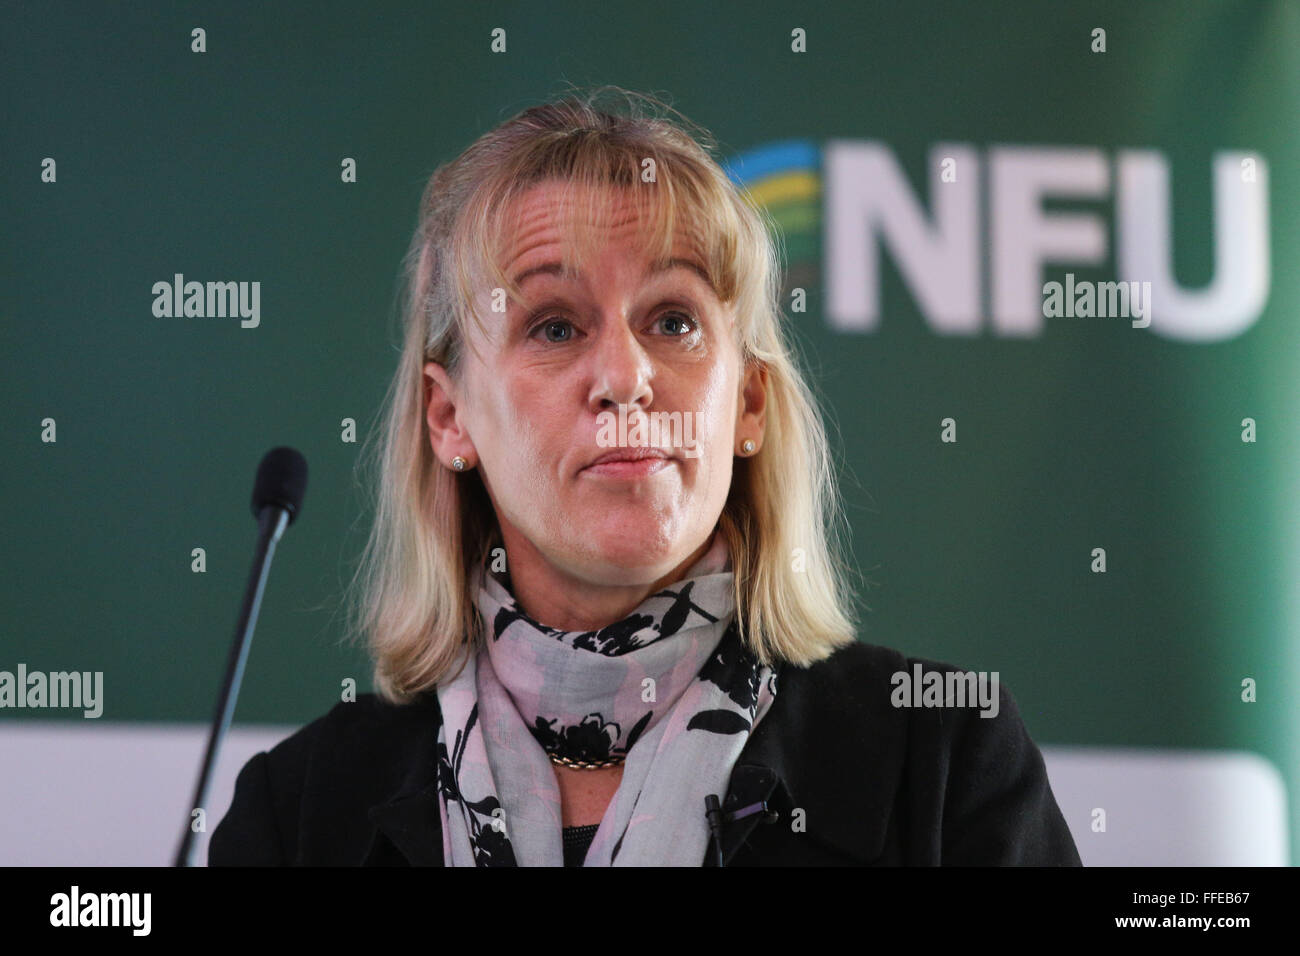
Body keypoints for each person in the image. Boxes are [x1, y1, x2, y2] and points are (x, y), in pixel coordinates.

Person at [209, 86, 1081, 867]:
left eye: (672, 318)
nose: (625, 377)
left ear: (747, 402)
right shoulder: (298, 815)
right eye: (553, 325)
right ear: (450, 419)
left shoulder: (942, 764)